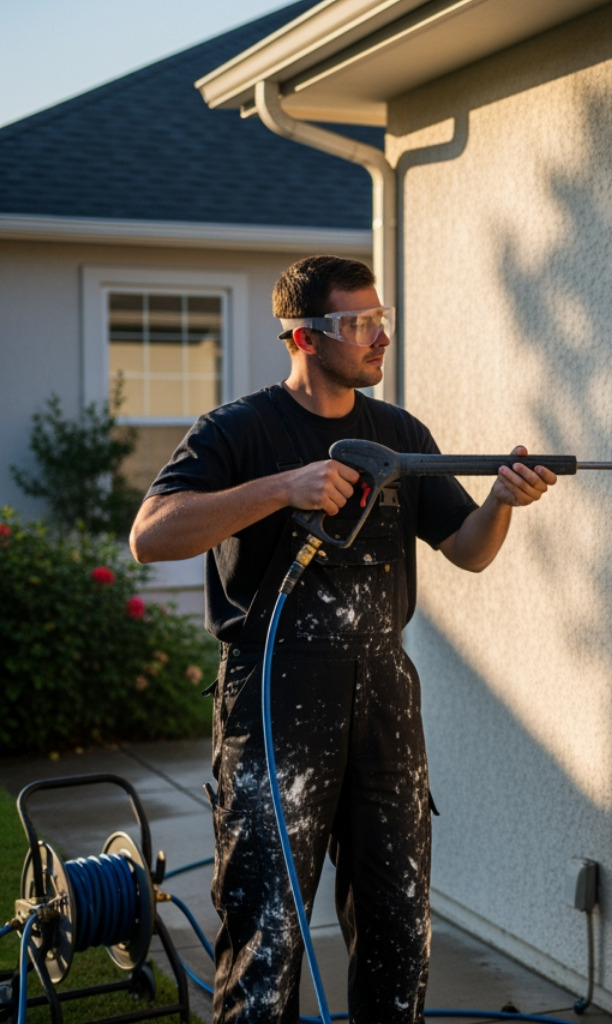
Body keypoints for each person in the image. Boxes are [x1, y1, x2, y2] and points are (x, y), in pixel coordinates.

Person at [130, 255, 558, 1024]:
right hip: (271, 697)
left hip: (384, 696)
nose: (379, 337)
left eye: (381, 318)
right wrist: (282, 489)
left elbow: (466, 548)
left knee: (399, 925)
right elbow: (151, 537)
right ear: (303, 337)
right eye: (359, 323)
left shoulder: (398, 433)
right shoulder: (239, 431)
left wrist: (500, 502)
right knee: (269, 930)